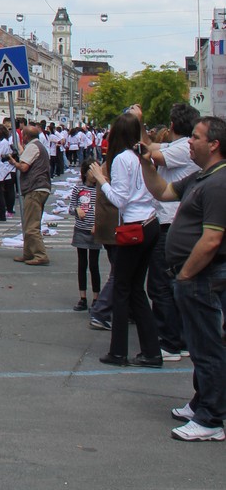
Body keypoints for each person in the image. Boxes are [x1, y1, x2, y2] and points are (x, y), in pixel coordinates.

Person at [138, 116, 226, 441]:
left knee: (207, 348)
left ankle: (210, 420)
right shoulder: (200, 177)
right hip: (192, 277)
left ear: (214, 144)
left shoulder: (219, 183)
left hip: (202, 277)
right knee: (202, 346)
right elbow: (162, 191)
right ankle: (201, 402)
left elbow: (212, 239)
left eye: (197, 137)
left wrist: (186, 275)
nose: (189, 141)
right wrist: (146, 163)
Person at [88, 110, 161, 368]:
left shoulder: (121, 159)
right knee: (135, 290)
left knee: (122, 288)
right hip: (150, 222)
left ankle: (118, 351)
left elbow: (119, 200)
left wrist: (101, 180)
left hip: (134, 225)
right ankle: (151, 351)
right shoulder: (142, 157)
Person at [142, 102, 200, 362]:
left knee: (161, 284)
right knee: (173, 284)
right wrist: (140, 124)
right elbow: (151, 147)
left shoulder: (183, 149)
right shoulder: (180, 146)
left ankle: (170, 342)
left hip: (171, 222)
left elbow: (154, 155)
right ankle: (182, 339)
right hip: (174, 220)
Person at [10, 123, 52, 266]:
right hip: (41, 187)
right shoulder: (40, 146)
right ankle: (28, 253)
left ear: (25, 136)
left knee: (31, 225)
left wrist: (13, 162)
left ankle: (40, 254)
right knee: (29, 222)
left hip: (35, 188)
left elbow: (24, 166)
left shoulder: (33, 147)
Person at [68, 159, 101, 311]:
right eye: (92, 170)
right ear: (85, 172)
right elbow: (71, 207)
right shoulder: (78, 188)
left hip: (94, 231)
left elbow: (104, 209)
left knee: (94, 265)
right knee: (82, 264)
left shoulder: (101, 189)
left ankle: (96, 297)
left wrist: (98, 224)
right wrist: (76, 210)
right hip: (80, 229)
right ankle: (82, 297)